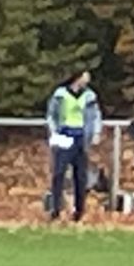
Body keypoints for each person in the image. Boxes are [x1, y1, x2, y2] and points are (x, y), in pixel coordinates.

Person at [43, 70, 99, 222]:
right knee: (59, 173)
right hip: (64, 135)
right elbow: (51, 115)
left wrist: (95, 134)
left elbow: (95, 116)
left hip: (81, 137)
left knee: (80, 176)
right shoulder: (60, 94)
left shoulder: (89, 96)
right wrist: (54, 132)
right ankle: (55, 208)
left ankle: (79, 210)